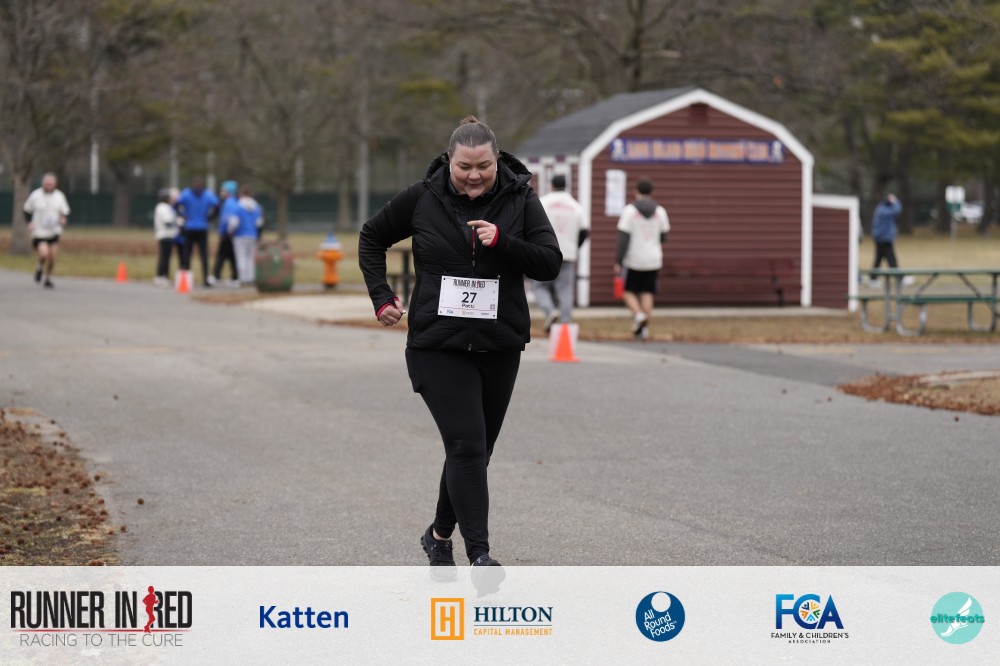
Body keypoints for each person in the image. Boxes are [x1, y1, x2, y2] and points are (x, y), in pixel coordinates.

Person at [358, 116, 561, 592]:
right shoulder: (422, 198)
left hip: (498, 343)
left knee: (475, 451)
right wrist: (382, 297)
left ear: (497, 160)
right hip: (437, 343)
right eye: (465, 167)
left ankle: (437, 537)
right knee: (467, 445)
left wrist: (503, 241)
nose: (474, 176)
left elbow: (549, 262)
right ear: (449, 161)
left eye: (483, 167)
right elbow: (371, 237)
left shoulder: (520, 199)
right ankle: (480, 556)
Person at [614, 179, 670, 339]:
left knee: (627, 292)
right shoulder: (660, 211)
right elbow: (664, 236)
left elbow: (623, 238)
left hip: (634, 258)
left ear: (636, 191)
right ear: (652, 192)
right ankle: (644, 329)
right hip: (653, 258)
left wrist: (618, 260)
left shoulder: (629, 211)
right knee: (647, 292)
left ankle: (638, 316)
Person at [533, 174, 588, 332]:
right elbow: (584, 231)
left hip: (545, 251)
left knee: (539, 286)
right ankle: (565, 325)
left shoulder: (543, 202)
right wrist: (574, 246)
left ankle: (549, 310)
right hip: (567, 253)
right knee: (565, 290)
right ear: (566, 186)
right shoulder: (576, 206)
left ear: (551, 185)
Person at [22, 172, 70, 289]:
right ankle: (40, 267)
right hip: (39, 231)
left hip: (54, 231)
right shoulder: (36, 195)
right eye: (47, 184)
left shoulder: (59, 196)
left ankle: (48, 279)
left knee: (52, 258)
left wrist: (63, 219)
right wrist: (29, 223)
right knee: (44, 254)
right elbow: (26, 210)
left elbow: (65, 211)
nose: (49, 186)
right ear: (43, 183)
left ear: (55, 184)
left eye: (51, 184)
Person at [174, 177, 219, 287]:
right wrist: (209, 218)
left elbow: (176, 204)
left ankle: (185, 280)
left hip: (189, 227)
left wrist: (182, 215)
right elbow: (217, 206)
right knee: (204, 255)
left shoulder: (187, 193)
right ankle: (205, 279)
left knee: (187, 254)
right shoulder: (207, 195)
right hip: (202, 227)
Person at [871, 193, 904, 286]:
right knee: (891, 259)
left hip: (881, 238)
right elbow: (897, 210)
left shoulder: (880, 208)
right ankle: (899, 278)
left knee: (879, 259)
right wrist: (895, 201)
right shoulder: (884, 211)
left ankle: (873, 278)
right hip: (884, 238)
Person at [232, 185, 262, 286]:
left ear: (241, 194)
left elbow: (234, 223)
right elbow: (259, 223)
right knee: (250, 258)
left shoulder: (238, 207)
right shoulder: (257, 207)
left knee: (241, 257)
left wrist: (230, 231)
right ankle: (251, 278)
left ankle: (243, 279)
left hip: (240, 235)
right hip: (253, 235)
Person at [211, 181, 239, 286]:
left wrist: (225, 233)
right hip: (230, 234)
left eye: (223, 190)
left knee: (222, 256)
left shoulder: (229, 203)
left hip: (228, 235)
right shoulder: (231, 202)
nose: (221, 192)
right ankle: (234, 277)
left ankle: (217, 276)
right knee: (231, 256)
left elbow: (229, 220)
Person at [153, 188, 180, 286]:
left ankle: (162, 275)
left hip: (165, 235)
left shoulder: (161, 207)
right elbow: (168, 221)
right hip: (166, 235)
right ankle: (162, 276)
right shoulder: (163, 207)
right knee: (165, 257)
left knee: (165, 256)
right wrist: (178, 223)